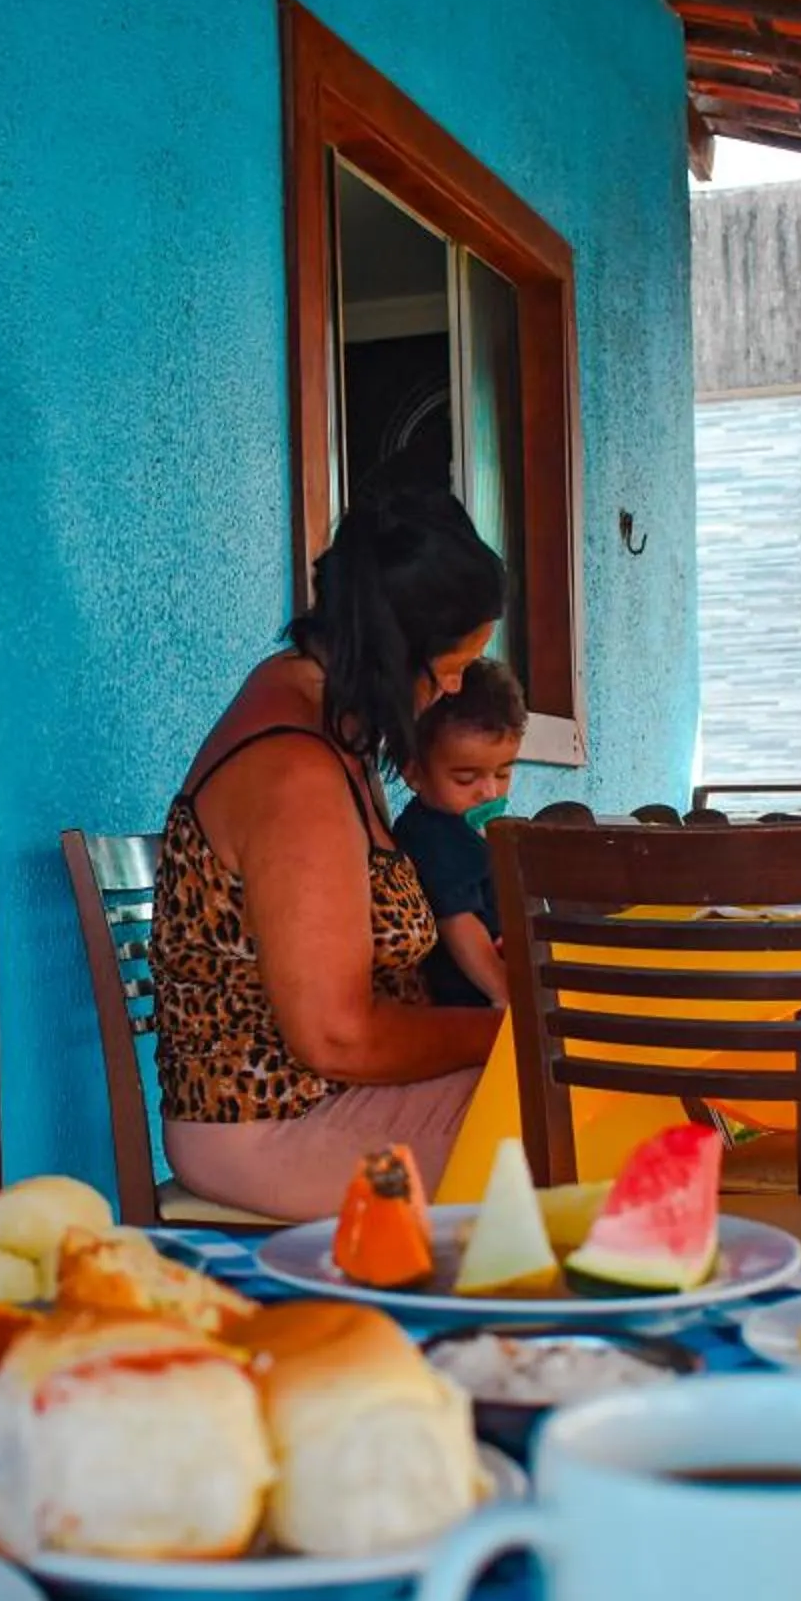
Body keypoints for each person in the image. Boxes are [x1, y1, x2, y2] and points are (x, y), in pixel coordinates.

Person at [150, 485, 508, 1222]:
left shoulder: (323, 719)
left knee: (601, 1088)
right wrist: (511, 1029)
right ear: (391, 646)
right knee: (591, 1113)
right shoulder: (296, 772)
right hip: (272, 1126)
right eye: (449, 664)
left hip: (336, 1102)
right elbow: (337, 1036)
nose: (452, 689)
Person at [392, 657, 525, 1008]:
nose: (489, 792)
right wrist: (503, 990)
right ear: (413, 772)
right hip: (470, 1002)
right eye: (466, 778)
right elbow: (459, 922)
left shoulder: (463, 823)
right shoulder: (436, 834)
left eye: (503, 774)